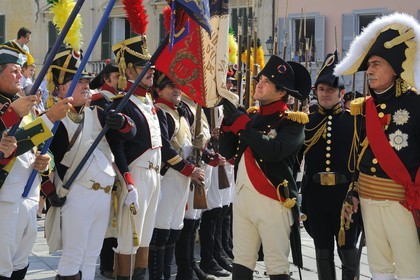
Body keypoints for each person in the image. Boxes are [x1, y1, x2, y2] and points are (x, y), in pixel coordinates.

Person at [335, 12, 420, 280]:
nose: (369, 70)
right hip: (369, 200)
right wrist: (353, 191)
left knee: (410, 268)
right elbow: (358, 156)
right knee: (379, 267)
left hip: (401, 202)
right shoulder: (365, 109)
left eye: (376, 64)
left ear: (395, 68)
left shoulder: (416, 105)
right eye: (368, 64)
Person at [42, 47, 136, 280]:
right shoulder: (55, 121)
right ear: (61, 89)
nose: (86, 85)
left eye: (86, 81)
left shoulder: (100, 113)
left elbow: (126, 137)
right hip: (77, 195)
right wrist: (48, 189)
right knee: (73, 255)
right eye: (77, 82)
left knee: (91, 255)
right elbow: (43, 158)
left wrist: (122, 122)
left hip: (103, 196)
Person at [219, 55, 312, 280]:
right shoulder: (252, 116)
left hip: (273, 199)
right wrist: (228, 123)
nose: (259, 84)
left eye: (267, 82)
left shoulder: (293, 122)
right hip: (243, 198)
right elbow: (227, 151)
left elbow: (273, 151)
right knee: (241, 263)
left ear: (282, 93)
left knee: (276, 266)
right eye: (260, 79)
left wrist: (242, 125)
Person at [0, 41, 70, 280]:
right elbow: (13, 143)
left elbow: (38, 147)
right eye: (14, 70)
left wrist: (45, 162)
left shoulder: (23, 104)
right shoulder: (15, 107)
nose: (21, 74)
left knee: (20, 266)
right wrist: (48, 118)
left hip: (28, 197)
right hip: (4, 200)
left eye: (21, 69)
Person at [301, 51, 361, 280]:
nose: (325, 94)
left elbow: (362, 163)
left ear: (341, 93)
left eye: (331, 90)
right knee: (322, 251)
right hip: (316, 197)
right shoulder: (307, 123)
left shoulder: (354, 122)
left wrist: (356, 192)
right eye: (321, 89)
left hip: (345, 196)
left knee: (348, 251)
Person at [109, 35, 162, 280]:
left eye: (150, 67)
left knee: (146, 235)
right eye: (144, 68)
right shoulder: (122, 103)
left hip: (154, 173)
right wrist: (128, 180)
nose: (150, 71)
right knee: (129, 236)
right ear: (128, 70)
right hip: (136, 174)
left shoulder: (148, 99)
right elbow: (117, 147)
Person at [148, 71, 205, 280]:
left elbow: (186, 145)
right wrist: (190, 169)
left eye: (178, 86)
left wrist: (202, 149)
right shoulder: (160, 111)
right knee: (161, 232)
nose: (176, 90)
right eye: (171, 86)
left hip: (181, 178)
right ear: (159, 90)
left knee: (174, 230)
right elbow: (164, 148)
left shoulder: (182, 112)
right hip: (168, 177)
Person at [88, 58, 121, 279]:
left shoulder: (120, 98)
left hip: (118, 160)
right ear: (107, 78)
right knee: (109, 218)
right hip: (105, 160)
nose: (121, 80)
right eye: (117, 77)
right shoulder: (101, 99)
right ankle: (106, 264)